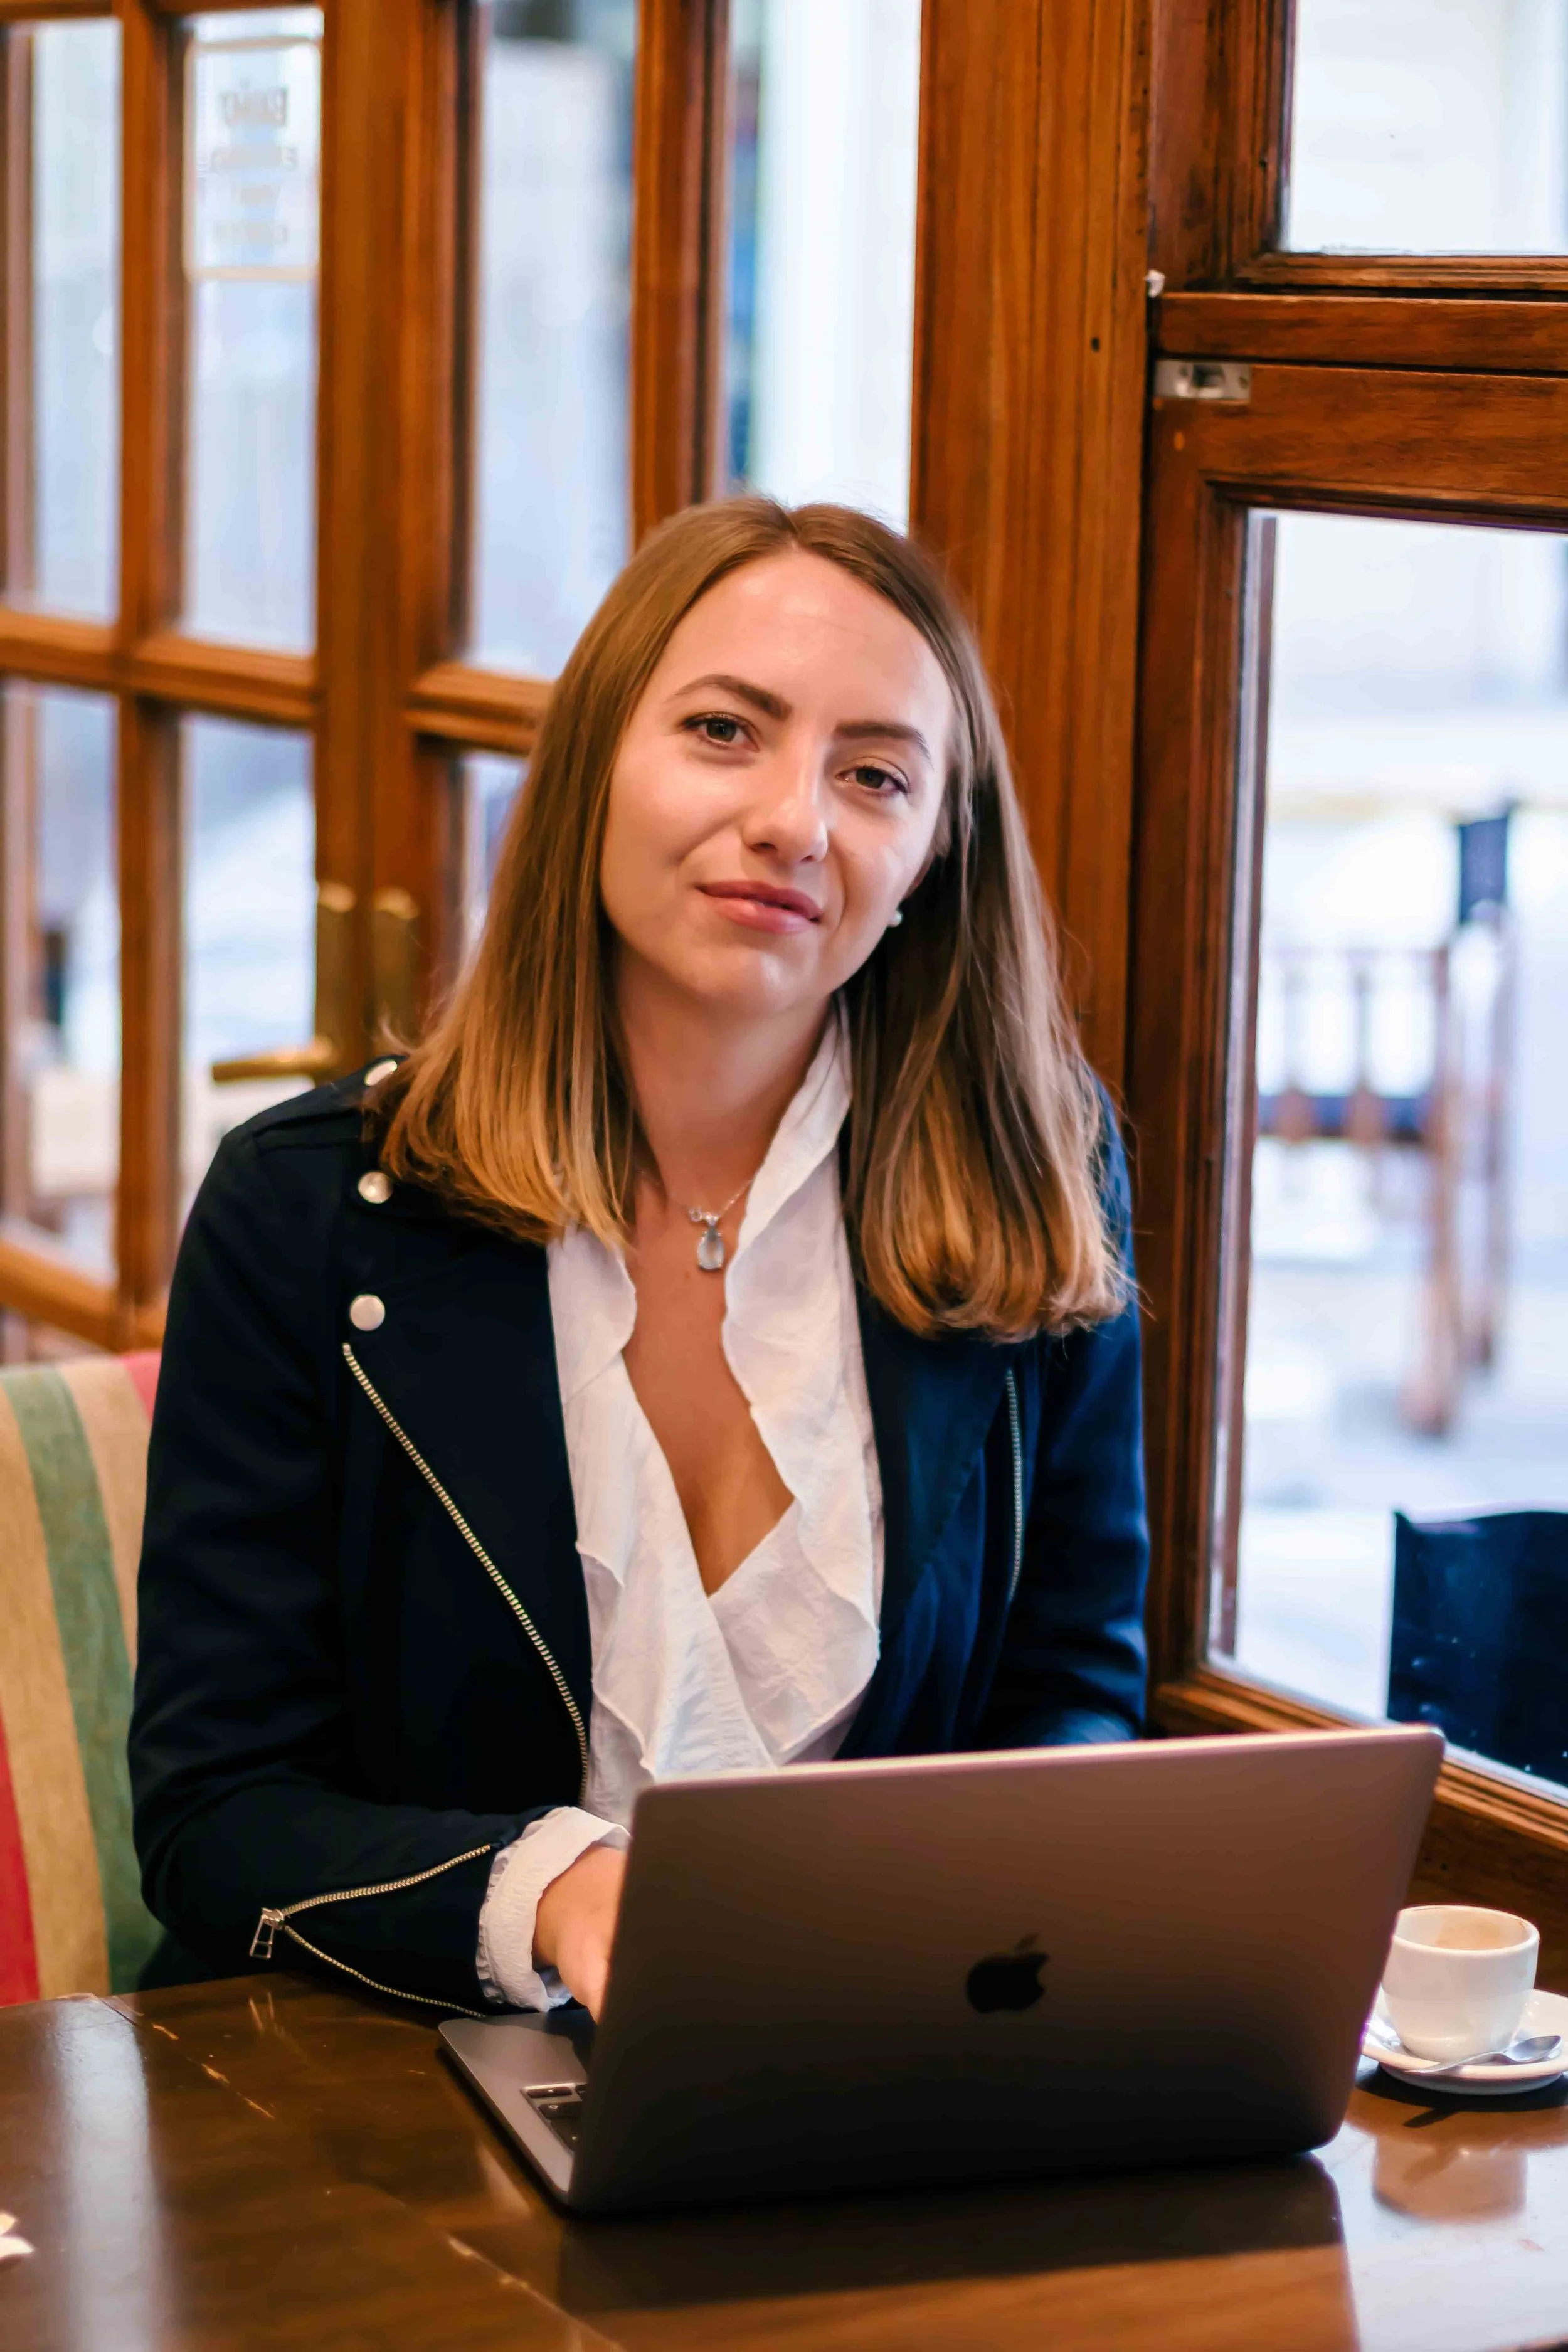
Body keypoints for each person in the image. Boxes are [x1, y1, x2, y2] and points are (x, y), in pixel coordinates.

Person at [130, 498, 1148, 2021]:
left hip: (869, 2076)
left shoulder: (1033, 1182)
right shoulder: (305, 1208)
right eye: (726, 731)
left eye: (874, 773)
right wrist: (554, 1894)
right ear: (594, 763)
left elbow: (1071, 1693)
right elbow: (217, 1814)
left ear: (934, 850)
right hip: (364, 2108)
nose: (796, 820)